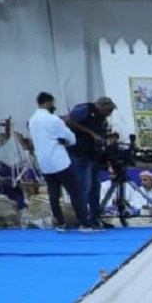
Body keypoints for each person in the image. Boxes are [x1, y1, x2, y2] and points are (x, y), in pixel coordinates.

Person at [27, 92, 84, 230]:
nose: (54, 106)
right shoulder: (53, 119)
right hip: (59, 161)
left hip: (44, 163)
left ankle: (61, 223)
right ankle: (84, 222)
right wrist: (65, 141)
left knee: (54, 194)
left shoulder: (32, 120)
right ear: (47, 102)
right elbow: (71, 138)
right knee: (74, 192)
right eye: (53, 103)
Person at [65, 94, 117, 230]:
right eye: (108, 111)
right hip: (80, 154)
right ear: (101, 106)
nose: (109, 114)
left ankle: (94, 218)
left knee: (95, 188)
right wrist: (90, 133)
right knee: (83, 187)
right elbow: (67, 120)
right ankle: (82, 218)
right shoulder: (85, 110)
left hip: (93, 155)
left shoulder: (101, 119)